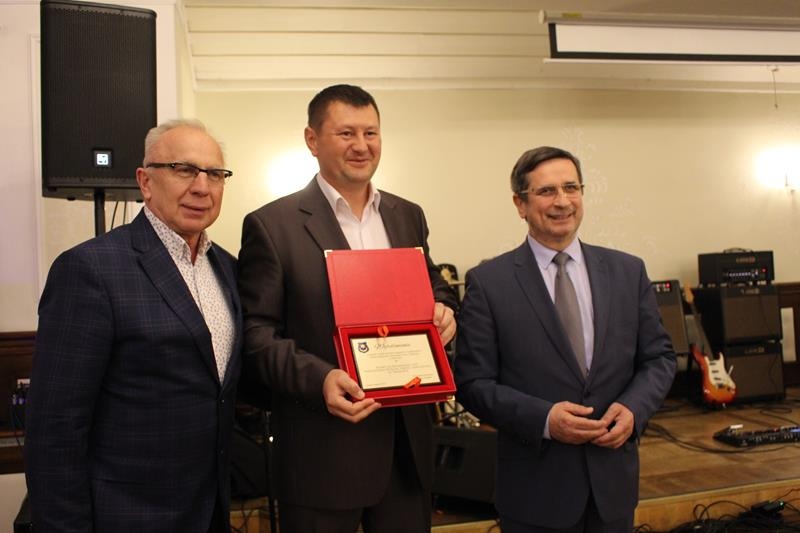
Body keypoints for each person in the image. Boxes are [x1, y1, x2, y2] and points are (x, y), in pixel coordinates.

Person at [237, 84, 457, 533]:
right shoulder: (272, 225)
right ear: (312, 140)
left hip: (406, 454)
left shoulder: (407, 214)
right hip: (321, 455)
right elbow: (256, 335)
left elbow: (433, 282)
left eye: (371, 133)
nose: (362, 145)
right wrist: (320, 379)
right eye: (346, 133)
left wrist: (444, 306)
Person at [25, 119, 242, 532]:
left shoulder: (228, 269)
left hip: (209, 511)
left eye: (215, 174)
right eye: (183, 170)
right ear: (145, 182)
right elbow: (55, 429)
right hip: (126, 515)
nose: (202, 187)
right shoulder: (90, 269)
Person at [454, 146, 676, 533]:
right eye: (546, 191)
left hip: (613, 490)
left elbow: (659, 358)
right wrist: (544, 420)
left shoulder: (628, 271)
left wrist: (633, 409)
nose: (562, 201)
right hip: (535, 494)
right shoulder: (489, 283)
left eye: (571, 188)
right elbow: (472, 384)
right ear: (520, 204)